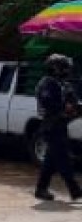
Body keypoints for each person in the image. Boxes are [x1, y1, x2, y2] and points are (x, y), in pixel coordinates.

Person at [34, 54, 82, 202]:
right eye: (64, 67)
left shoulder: (62, 84)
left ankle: (41, 189)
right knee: (63, 159)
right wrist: (65, 107)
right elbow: (48, 103)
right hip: (51, 126)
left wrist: (76, 106)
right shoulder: (47, 83)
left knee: (50, 161)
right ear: (56, 68)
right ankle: (75, 191)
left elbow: (73, 101)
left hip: (61, 126)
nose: (67, 70)